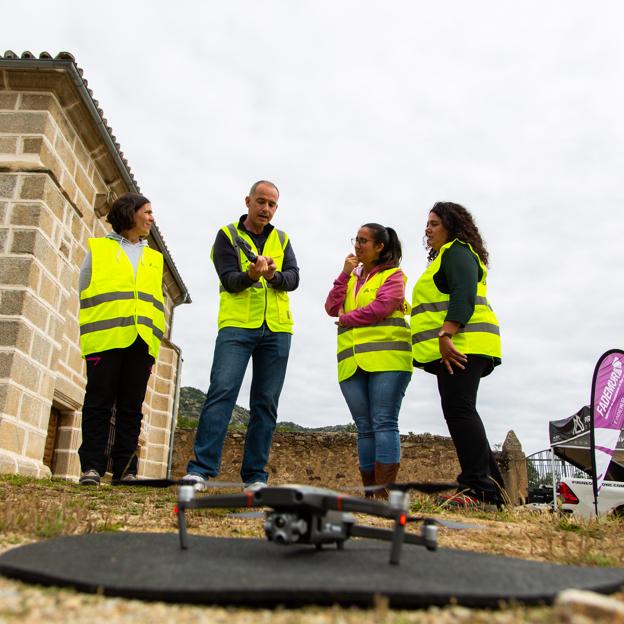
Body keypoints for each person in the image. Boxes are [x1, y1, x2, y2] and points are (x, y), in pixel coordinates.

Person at [185, 181, 299, 492]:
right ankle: (200, 470)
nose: (266, 209)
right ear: (248, 201)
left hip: (277, 330)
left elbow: (294, 278)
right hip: (237, 327)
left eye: (272, 204)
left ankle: (255, 476)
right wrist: (251, 275)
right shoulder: (227, 236)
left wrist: (273, 275)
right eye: (261, 202)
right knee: (221, 391)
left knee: (266, 403)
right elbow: (229, 280)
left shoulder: (283, 238)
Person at [411, 202, 504, 506]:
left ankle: (479, 490)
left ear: (451, 226)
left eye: (435, 223)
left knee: (460, 411)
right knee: (462, 410)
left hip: (461, 345)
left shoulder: (457, 251)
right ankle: (493, 490)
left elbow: (463, 293)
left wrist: (446, 333)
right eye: (427, 223)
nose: (428, 228)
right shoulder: (445, 257)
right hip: (460, 345)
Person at [77, 192, 165, 485]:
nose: (152, 218)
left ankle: (126, 470)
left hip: (142, 341)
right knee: (98, 403)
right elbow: (84, 288)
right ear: (131, 213)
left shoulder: (154, 258)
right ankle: (91, 467)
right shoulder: (100, 248)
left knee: (131, 408)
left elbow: (156, 301)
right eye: (148, 212)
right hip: (105, 337)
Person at [325, 224, 412, 496]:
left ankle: (384, 493)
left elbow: (382, 307)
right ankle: (370, 494)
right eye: (356, 240)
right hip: (351, 362)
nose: (357, 245)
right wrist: (343, 274)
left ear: (379, 247)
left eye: (364, 241)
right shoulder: (351, 277)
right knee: (364, 429)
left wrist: (348, 319)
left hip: (388, 360)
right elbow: (330, 307)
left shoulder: (394, 276)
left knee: (384, 422)